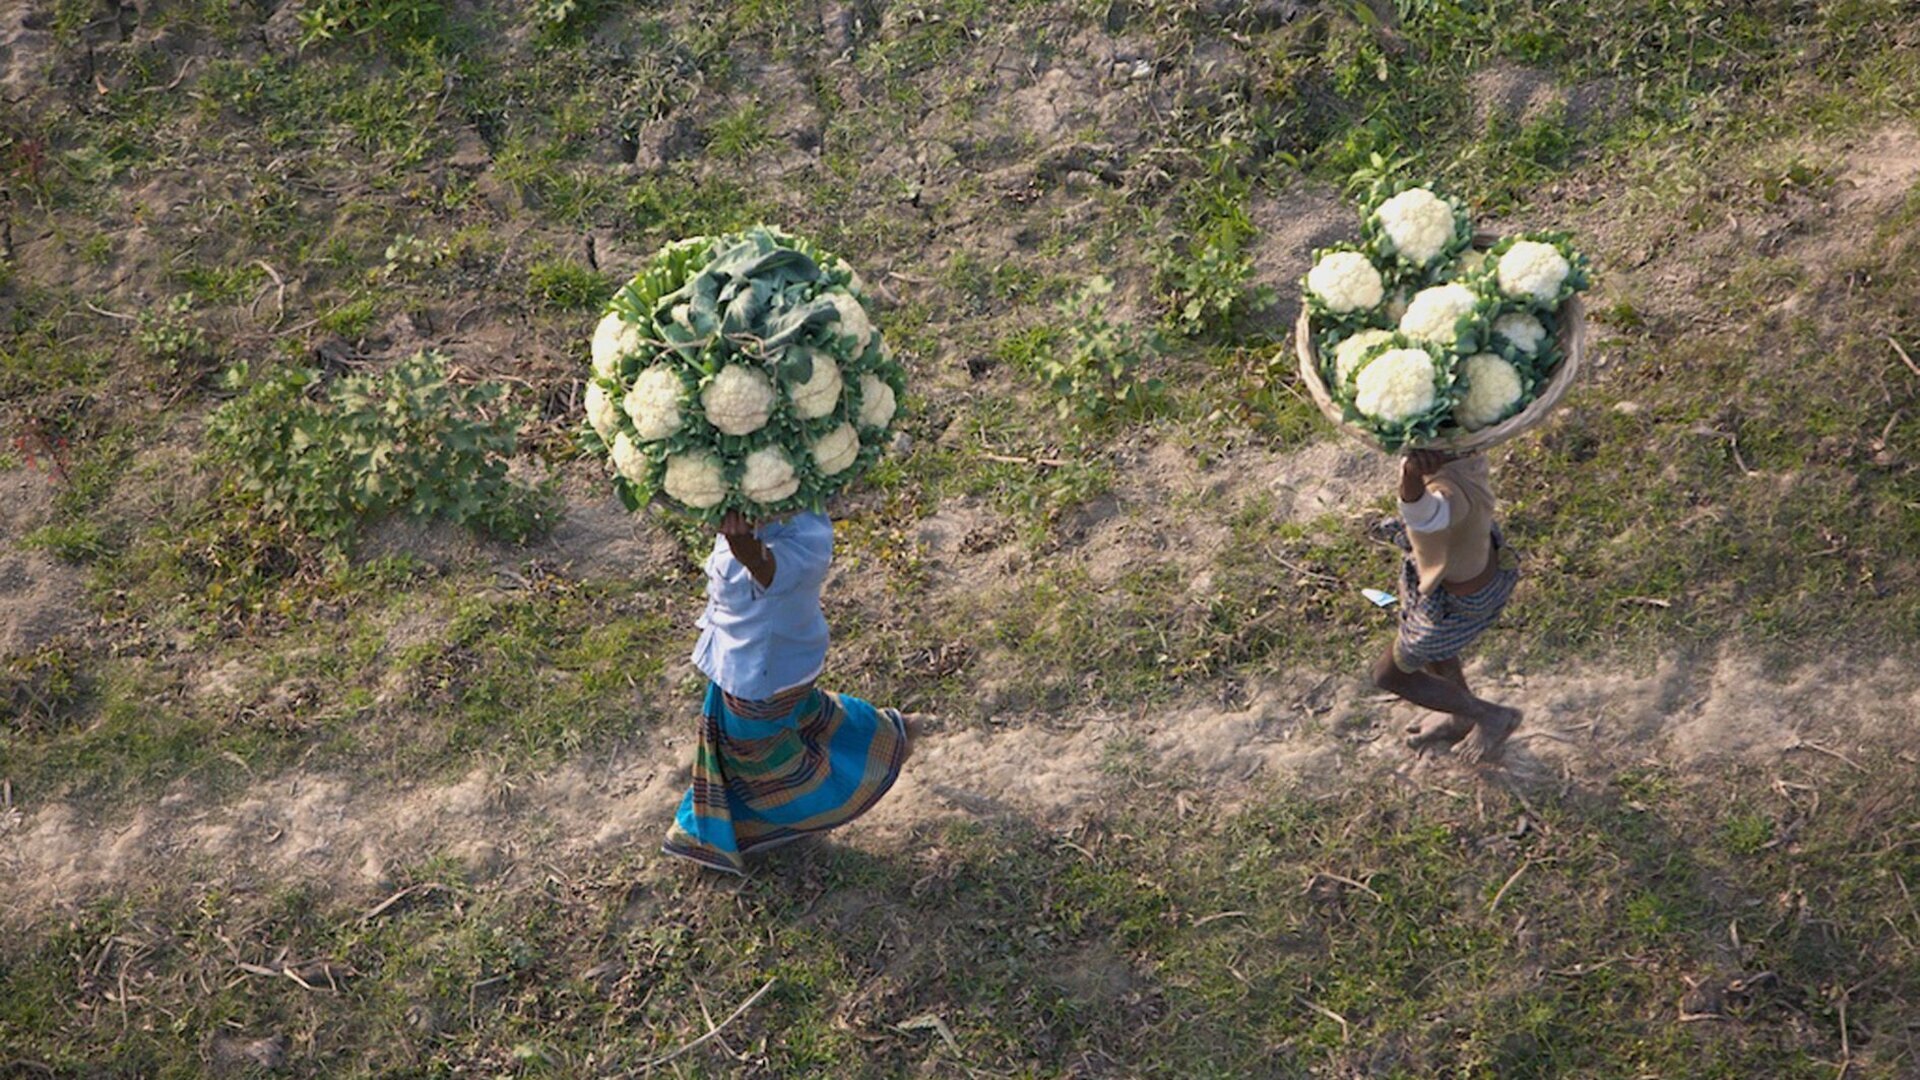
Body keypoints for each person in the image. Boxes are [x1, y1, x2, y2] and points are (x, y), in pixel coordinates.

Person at [663, 508, 917, 873]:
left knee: (763, 765)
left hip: (764, 673)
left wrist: (745, 547)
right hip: (755, 663)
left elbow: (770, 571)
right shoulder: (754, 513)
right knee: (809, 718)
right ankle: (892, 735)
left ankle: (789, 817)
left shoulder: (804, 541)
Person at [1371, 448, 1523, 763]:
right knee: (1438, 652)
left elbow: (1424, 513)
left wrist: (1412, 479)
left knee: (1390, 674)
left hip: (1457, 605)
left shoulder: (1448, 494)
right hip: (1472, 575)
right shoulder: (1467, 460)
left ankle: (1489, 715)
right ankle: (1459, 718)